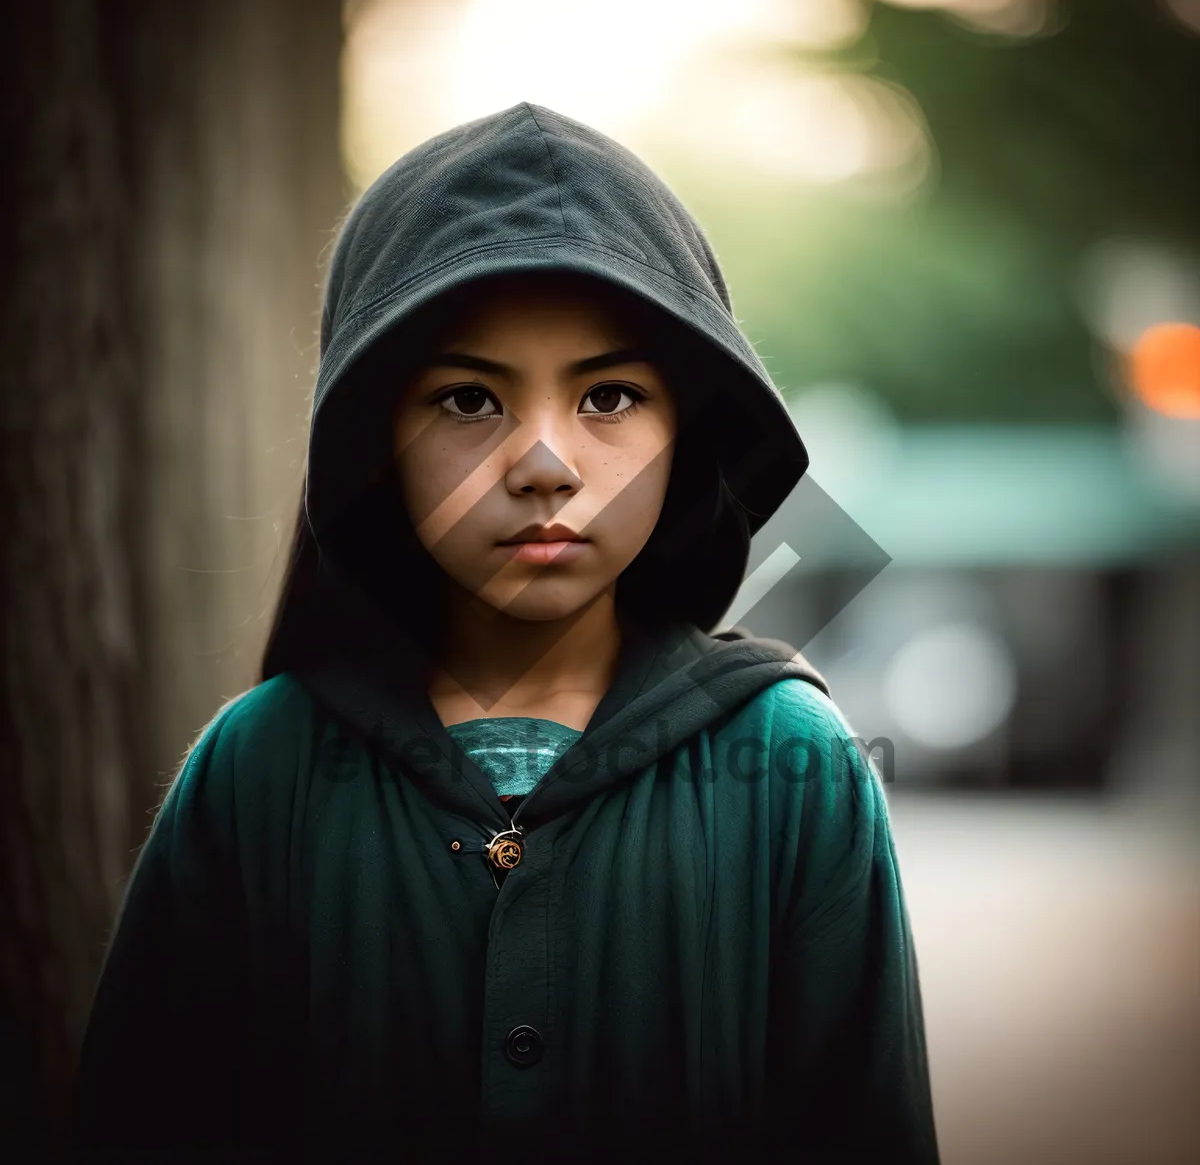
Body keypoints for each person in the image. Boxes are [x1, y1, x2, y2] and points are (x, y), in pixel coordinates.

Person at [69, 102, 940, 1163]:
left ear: (688, 435)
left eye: (609, 395)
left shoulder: (794, 769)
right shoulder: (260, 771)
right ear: (375, 438)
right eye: (469, 400)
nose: (544, 465)